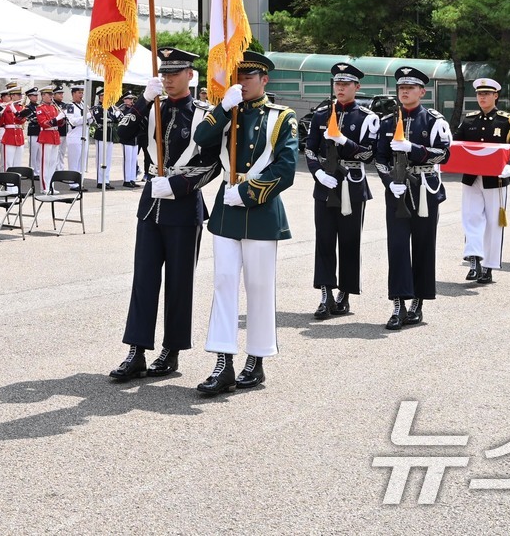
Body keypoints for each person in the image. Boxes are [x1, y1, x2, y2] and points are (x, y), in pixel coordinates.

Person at [109, 48, 220, 381]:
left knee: (179, 282)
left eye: (175, 73)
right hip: (151, 204)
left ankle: (171, 351)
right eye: (164, 73)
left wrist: (179, 186)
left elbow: (213, 163)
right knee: (143, 279)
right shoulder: (152, 107)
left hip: (184, 205)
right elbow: (123, 134)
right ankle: (137, 350)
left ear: (190, 74)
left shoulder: (204, 114)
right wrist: (143, 99)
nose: (168, 79)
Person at [193, 52, 298, 396]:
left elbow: (285, 169)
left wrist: (249, 193)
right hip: (227, 211)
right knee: (223, 283)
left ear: (264, 79)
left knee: (259, 286)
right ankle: (223, 361)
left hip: (260, 209)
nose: (242, 81)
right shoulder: (228, 111)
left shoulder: (282, 117)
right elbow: (201, 139)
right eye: (238, 75)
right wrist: (223, 108)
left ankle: (256, 358)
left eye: (249, 76)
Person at [374, 67, 452, 329]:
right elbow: (380, 159)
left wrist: (414, 149)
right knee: (396, 247)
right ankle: (398, 303)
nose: (404, 92)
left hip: (424, 188)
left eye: (410, 88)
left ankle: (418, 301)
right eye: (401, 88)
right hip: (397, 189)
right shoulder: (386, 122)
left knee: (423, 245)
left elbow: (443, 154)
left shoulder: (433, 120)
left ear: (422, 91)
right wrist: (388, 182)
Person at [303, 62, 379, 319]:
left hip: (352, 183)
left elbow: (369, 153)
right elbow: (309, 148)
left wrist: (345, 142)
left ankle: (344, 294)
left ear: (357, 87)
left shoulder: (368, 117)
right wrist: (318, 173)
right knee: (324, 240)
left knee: (349, 241)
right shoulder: (321, 114)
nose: (341, 88)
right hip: (325, 182)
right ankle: (325, 294)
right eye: (338, 83)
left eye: (346, 84)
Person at [454, 78, 510, 285]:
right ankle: (474, 259)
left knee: (494, 222)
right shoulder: (469, 120)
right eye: (479, 94)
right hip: (472, 177)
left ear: (496, 96)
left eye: (487, 94)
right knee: (471, 217)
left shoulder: (507, 120)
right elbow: (456, 143)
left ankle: (489, 266)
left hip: (496, 179)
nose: (482, 97)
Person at [34, 85, 63, 191]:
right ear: (43, 95)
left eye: (52, 94)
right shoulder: (40, 108)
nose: (51, 97)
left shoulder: (54, 107)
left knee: (53, 163)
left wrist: (62, 117)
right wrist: (57, 119)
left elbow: (59, 124)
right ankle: (44, 187)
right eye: (49, 94)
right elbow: (43, 123)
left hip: (55, 136)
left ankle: (51, 186)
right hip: (46, 136)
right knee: (45, 163)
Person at [0, 86, 28, 169]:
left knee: (17, 163)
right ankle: (8, 181)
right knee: (8, 162)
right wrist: (0, 113)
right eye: (18, 95)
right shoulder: (5, 107)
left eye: (20, 95)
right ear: (12, 96)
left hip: (19, 136)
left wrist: (14, 110)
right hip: (9, 137)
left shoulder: (22, 107)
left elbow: (22, 120)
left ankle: (15, 180)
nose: (20, 97)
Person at [93, 94, 120, 189]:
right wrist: (111, 118)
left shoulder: (111, 107)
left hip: (109, 134)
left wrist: (113, 117)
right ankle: (100, 181)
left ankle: (106, 180)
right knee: (101, 159)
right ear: (100, 97)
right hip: (101, 134)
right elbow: (99, 119)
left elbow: (116, 120)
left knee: (108, 159)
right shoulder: (98, 108)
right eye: (103, 96)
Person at [64, 84, 89, 174]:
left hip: (84, 135)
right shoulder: (70, 106)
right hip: (74, 136)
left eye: (82, 93)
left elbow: (89, 122)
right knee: (74, 161)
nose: (81, 95)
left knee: (82, 161)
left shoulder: (84, 106)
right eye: (79, 93)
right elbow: (72, 121)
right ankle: (73, 183)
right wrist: (86, 117)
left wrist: (90, 118)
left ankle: (80, 181)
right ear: (73, 94)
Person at [119, 93, 142, 187]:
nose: (131, 101)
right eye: (129, 99)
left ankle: (132, 179)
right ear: (124, 100)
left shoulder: (134, 110)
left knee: (133, 160)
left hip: (134, 138)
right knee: (127, 160)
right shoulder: (123, 110)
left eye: (132, 99)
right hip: (127, 138)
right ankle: (126, 180)